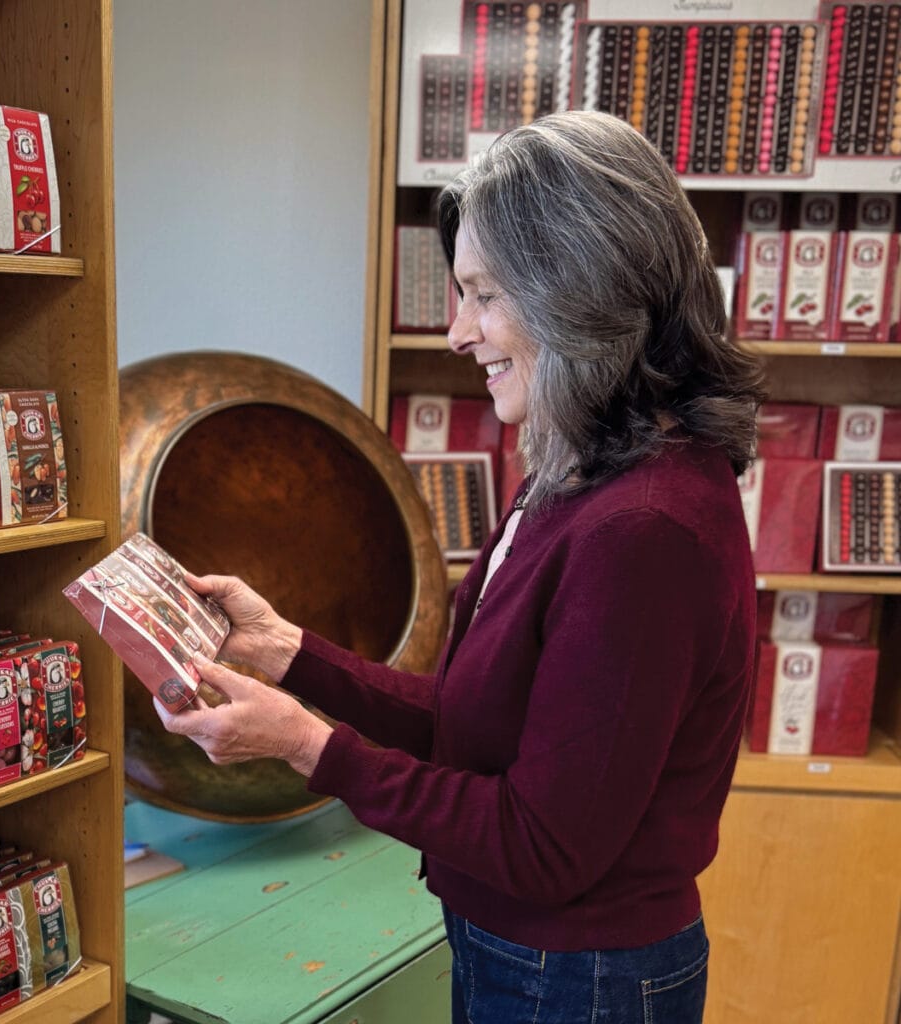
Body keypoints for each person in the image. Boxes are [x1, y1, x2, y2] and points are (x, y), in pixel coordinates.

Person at [154, 110, 766, 1023]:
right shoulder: (582, 475)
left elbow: (543, 845)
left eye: (483, 295)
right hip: (531, 956)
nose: (456, 332)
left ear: (577, 292)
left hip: (581, 981)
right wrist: (286, 651)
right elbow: (472, 722)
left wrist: (303, 744)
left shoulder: (645, 530)